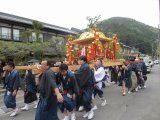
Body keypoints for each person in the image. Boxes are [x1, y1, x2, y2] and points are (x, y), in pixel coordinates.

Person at [74, 55, 94, 120]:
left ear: (84, 61)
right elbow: (79, 73)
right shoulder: (83, 66)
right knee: (83, 99)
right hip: (85, 85)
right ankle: (88, 112)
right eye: (78, 60)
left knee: (86, 99)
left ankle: (91, 111)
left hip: (88, 85)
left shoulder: (86, 66)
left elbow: (79, 74)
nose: (79, 61)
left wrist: (73, 74)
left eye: (80, 60)